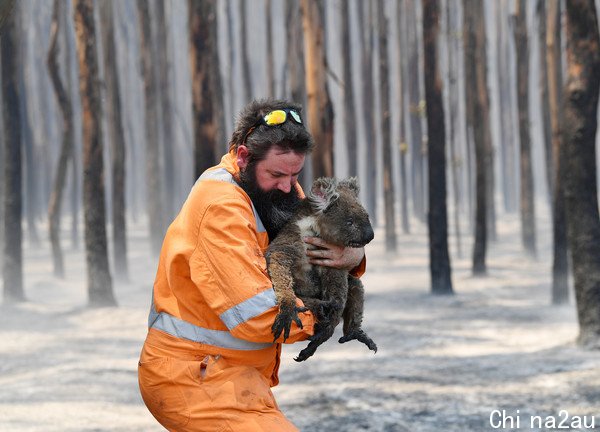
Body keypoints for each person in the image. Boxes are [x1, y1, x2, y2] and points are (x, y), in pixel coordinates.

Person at [138, 99, 366, 431]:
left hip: (234, 376)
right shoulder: (221, 207)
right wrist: (329, 313)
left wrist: (354, 258)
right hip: (193, 378)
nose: (290, 186)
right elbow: (257, 314)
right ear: (244, 157)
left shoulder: (272, 189)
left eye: (295, 174)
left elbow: (320, 244)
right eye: (277, 174)